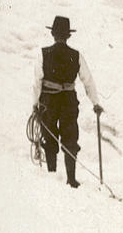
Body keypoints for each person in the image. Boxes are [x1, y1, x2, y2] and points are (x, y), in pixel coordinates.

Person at [33, 15, 103, 188]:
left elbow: (37, 81)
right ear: (68, 36)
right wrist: (95, 103)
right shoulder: (76, 55)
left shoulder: (43, 53)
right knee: (70, 136)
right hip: (68, 101)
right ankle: (71, 179)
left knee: (49, 135)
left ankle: (52, 175)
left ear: (53, 34)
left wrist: (35, 104)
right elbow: (88, 80)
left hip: (48, 100)